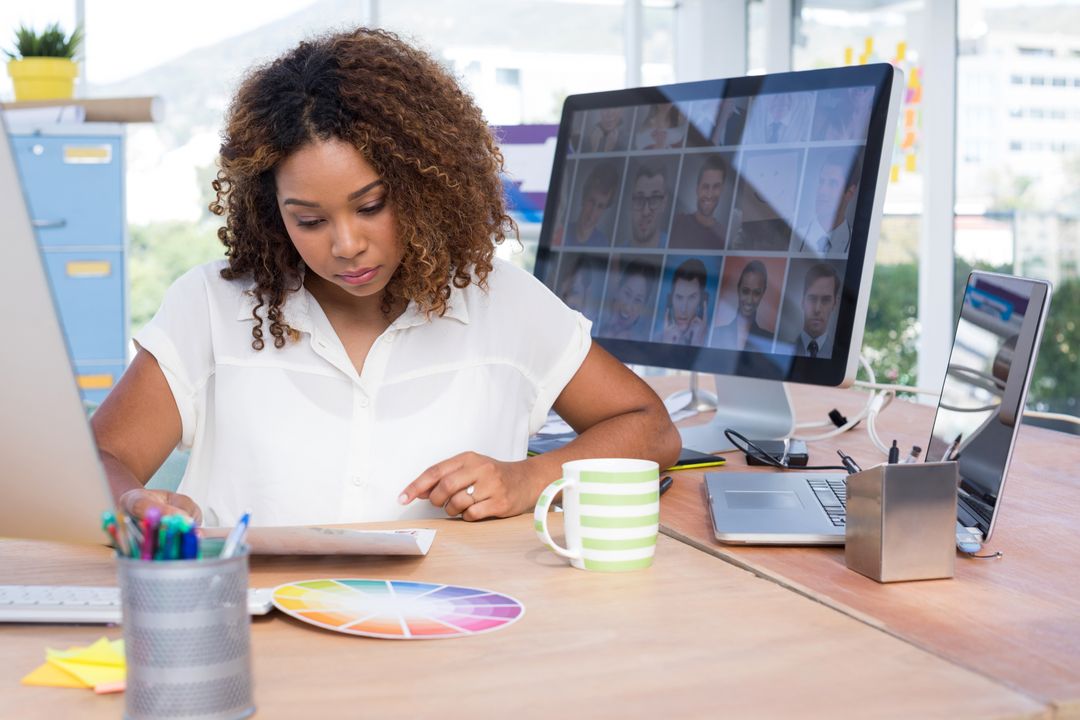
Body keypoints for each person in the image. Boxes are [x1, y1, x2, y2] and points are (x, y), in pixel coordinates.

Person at [91, 28, 680, 528]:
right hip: (261, 641)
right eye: (311, 220)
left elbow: (650, 429)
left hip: (449, 637)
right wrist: (131, 503)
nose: (346, 245)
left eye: (371, 207)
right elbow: (102, 454)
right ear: (273, 212)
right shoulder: (212, 306)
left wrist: (531, 478)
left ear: (425, 190)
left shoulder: (503, 303)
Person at [797, 150, 862, 255]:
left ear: (850, 192)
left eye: (833, 183)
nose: (822, 191)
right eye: (821, 181)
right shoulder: (795, 237)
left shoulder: (859, 246)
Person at [710, 261, 773, 351]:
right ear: (738, 288)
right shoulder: (715, 334)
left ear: (763, 292)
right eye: (745, 291)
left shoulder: (770, 340)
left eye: (756, 293)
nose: (749, 300)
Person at [670, 155, 728, 250]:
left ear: (722, 190)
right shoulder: (677, 222)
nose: (709, 194)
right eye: (705, 186)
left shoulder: (724, 235)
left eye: (716, 186)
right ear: (697, 189)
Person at [786, 263, 841, 358]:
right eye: (812, 299)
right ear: (802, 301)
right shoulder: (784, 349)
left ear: (834, 304)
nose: (817, 309)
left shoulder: (840, 356)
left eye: (825, 300)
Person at [598, 259, 658, 341]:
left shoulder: (642, 342)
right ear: (618, 290)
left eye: (638, 300)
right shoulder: (592, 324)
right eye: (627, 294)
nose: (628, 307)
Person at [564, 161, 619, 247]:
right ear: (583, 198)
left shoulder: (603, 245)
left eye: (600, 206)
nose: (592, 213)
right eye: (591, 201)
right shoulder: (562, 233)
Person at [658, 259, 709, 345]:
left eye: (691, 298)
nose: (683, 309)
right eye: (679, 297)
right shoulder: (656, 338)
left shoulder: (713, 339)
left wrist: (698, 345)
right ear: (670, 300)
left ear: (701, 302)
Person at [623, 164, 670, 248]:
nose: (645, 212)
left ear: (664, 203)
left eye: (654, 199)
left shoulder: (673, 248)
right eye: (639, 199)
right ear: (631, 201)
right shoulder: (615, 255)